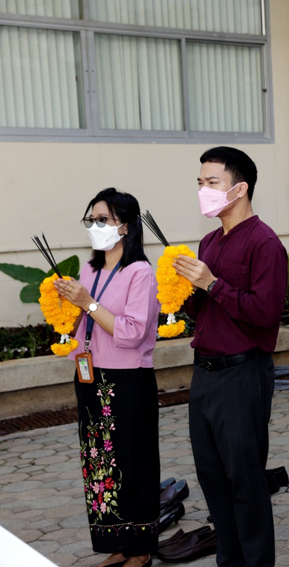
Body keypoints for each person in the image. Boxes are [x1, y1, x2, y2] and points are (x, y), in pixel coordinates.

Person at [173, 146, 287, 567]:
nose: (203, 190)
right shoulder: (209, 240)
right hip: (204, 374)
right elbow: (204, 309)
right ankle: (229, 560)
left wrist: (212, 282)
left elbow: (265, 313)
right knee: (213, 478)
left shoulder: (265, 242)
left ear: (239, 188)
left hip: (243, 374)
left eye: (212, 182)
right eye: (200, 183)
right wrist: (183, 288)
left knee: (246, 483)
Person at [56, 188, 160, 567]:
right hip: (90, 374)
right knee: (99, 462)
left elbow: (131, 333)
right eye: (92, 220)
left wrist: (88, 302)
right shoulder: (91, 269)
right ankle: (116, 543)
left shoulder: (140, 272)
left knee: (133, 462)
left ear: (126, 227)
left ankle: (142, 548)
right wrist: (67, 302)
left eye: (104, 220)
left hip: (127, 380)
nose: (96, 226)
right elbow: (84, 320)